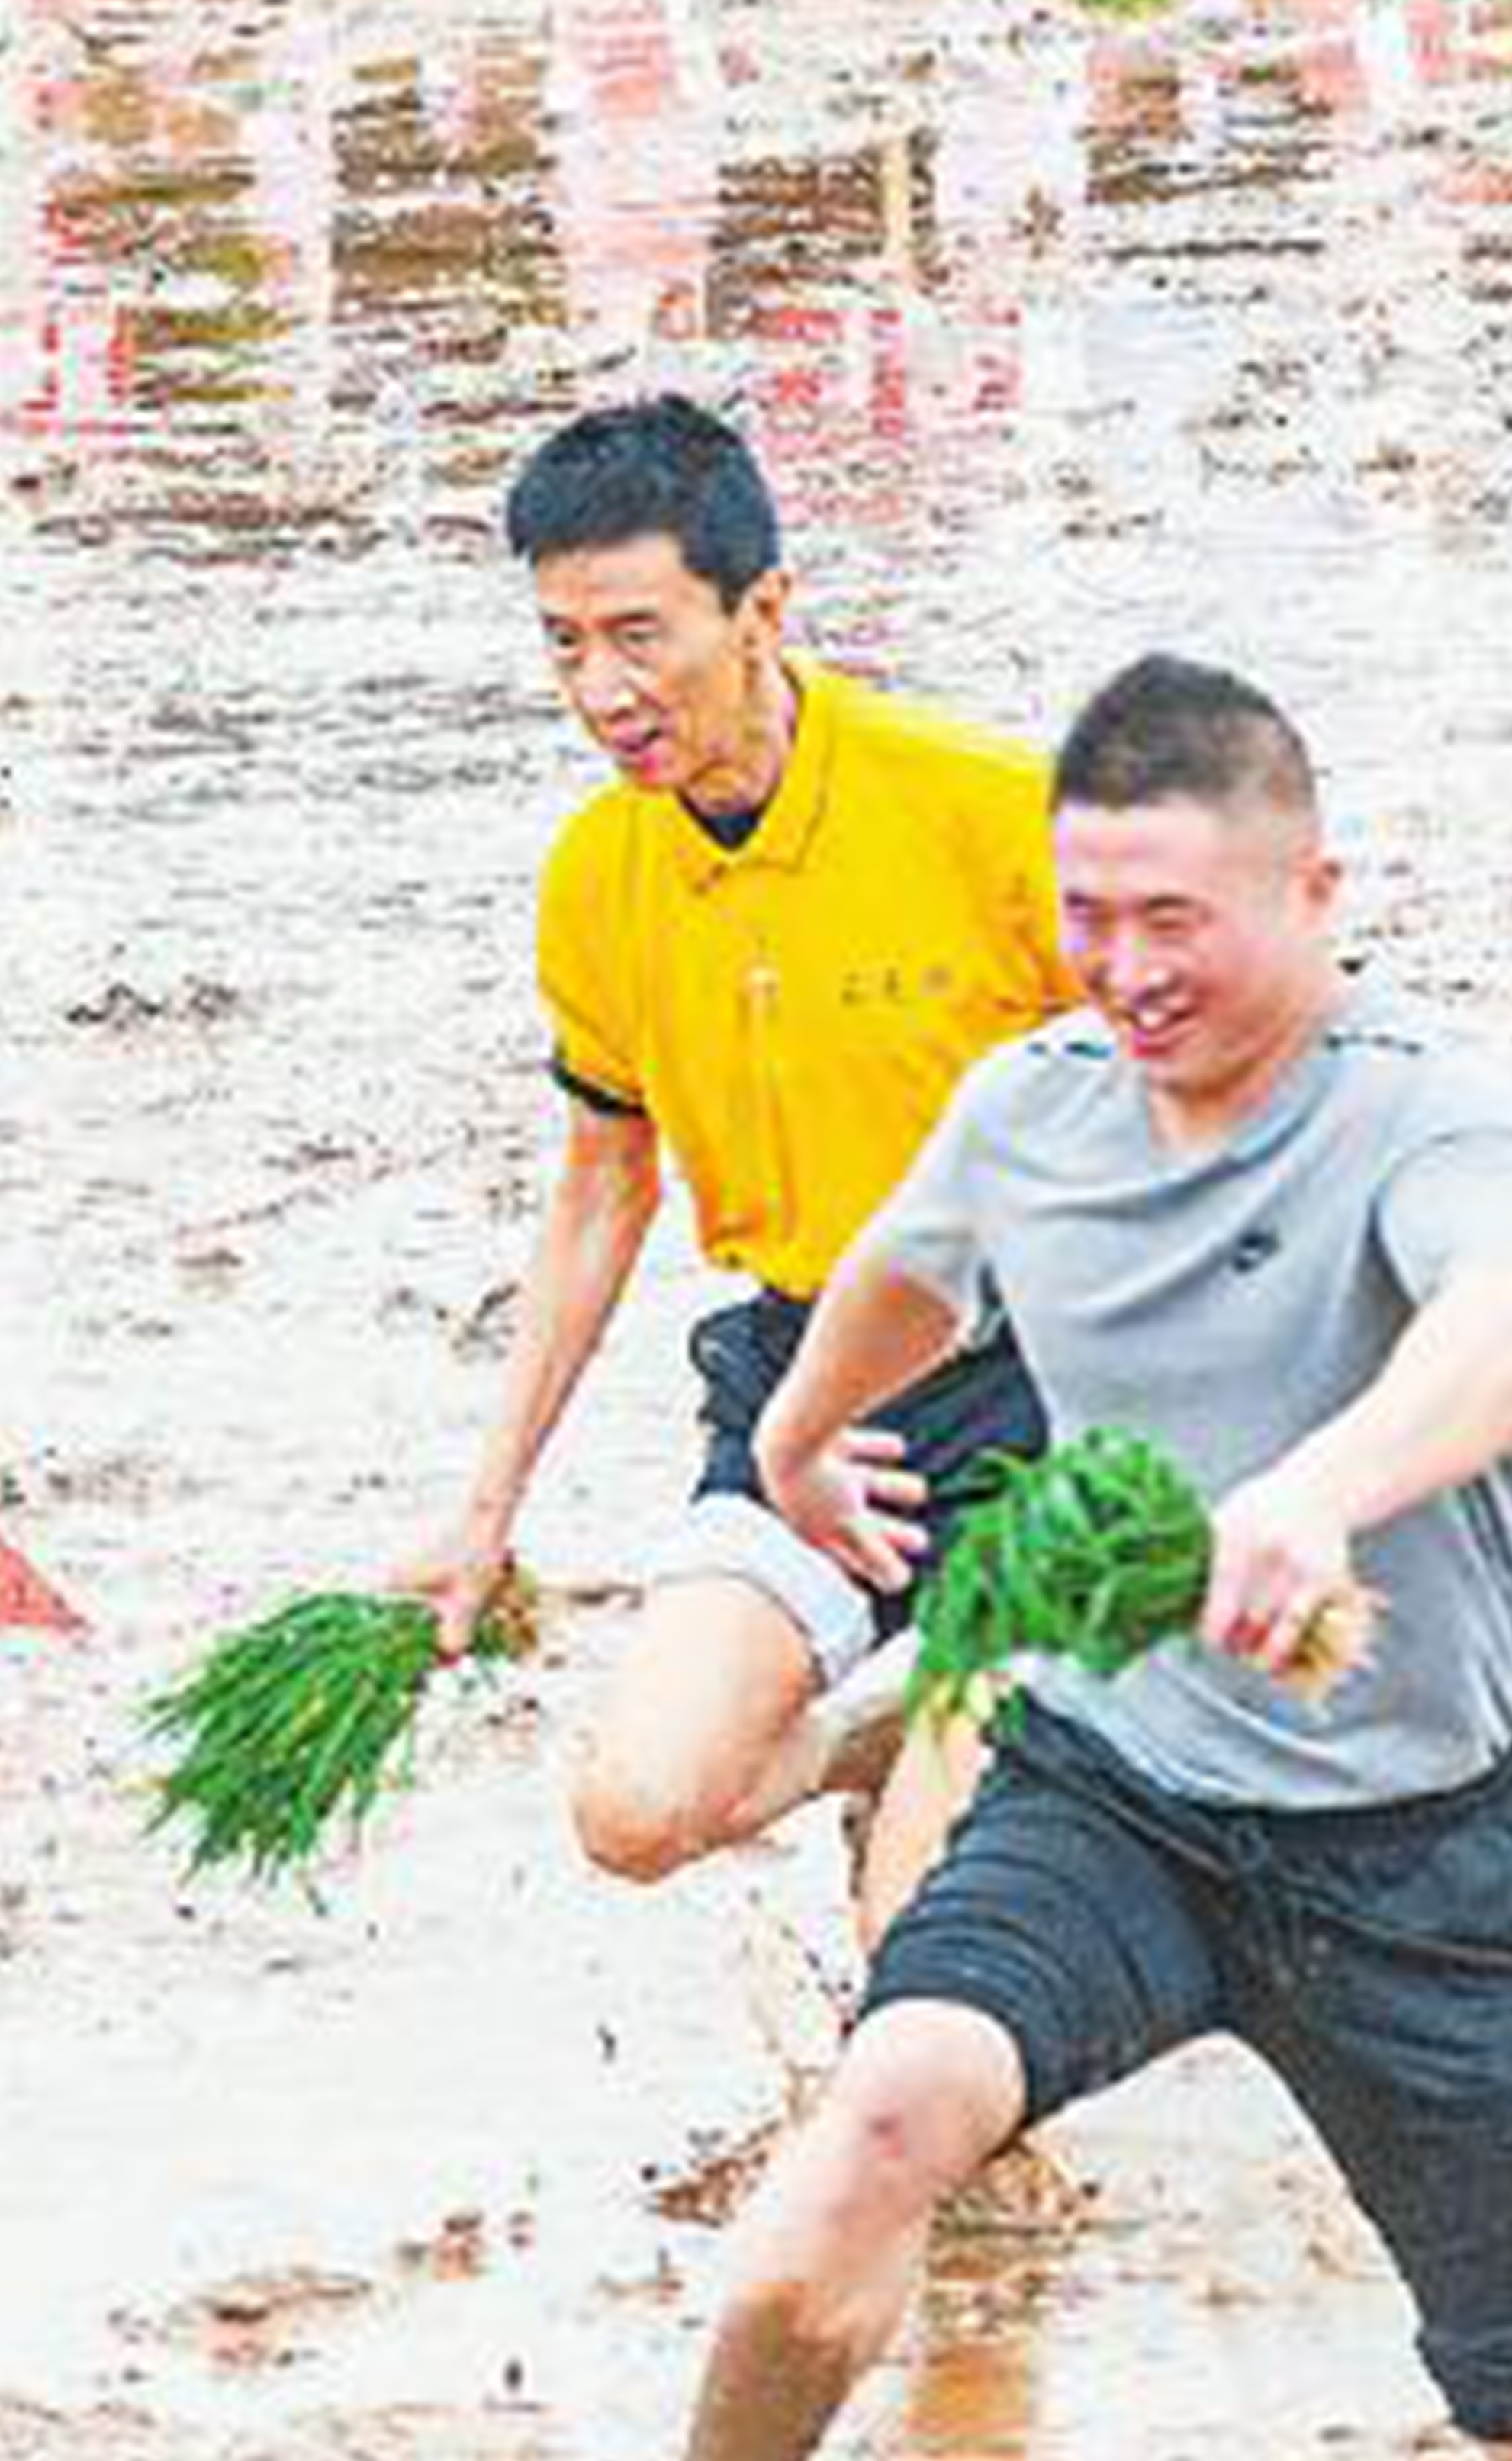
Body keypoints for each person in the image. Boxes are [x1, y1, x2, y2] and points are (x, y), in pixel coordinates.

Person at [700, 659, 1512, 2461]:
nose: (1123, 965)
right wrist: (794, 1435)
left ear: (1311, 893)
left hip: (1412, 1865)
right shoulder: (1032, 1106)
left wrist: (1310, 1492)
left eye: (1170, 917)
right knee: (879, 2118)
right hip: (1114, 1794)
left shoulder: (1425, 1115)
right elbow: (906, 1269)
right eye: (1084, 914)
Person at [404, 401, 1073, 1941]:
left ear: (761, 607)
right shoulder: (595, 879)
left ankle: (984, 1799)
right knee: (632, 1813)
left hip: (1047, 1386)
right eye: (560, 644)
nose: (599, 691)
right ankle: (876, 1735)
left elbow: (1230, 1101)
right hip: (796, 1397)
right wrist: (482, 1508)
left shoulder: (986, 812)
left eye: (636, 635)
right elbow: (596, 1193)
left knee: (920, 1938)